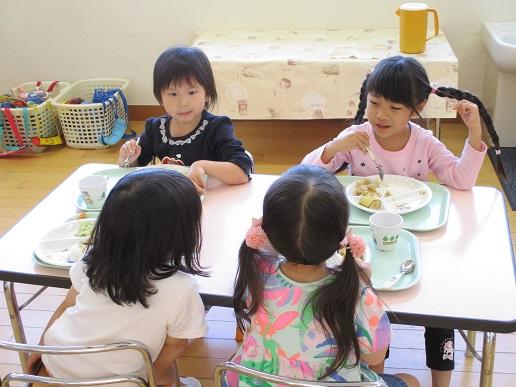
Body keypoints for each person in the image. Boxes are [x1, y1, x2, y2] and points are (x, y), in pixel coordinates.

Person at [302, 55, 505, 387]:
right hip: (363, 242)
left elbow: (460, 180)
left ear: (417, 106)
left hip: (418, 240)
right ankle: (376, 377)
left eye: (395, 108)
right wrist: (334, 147)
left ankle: (442, 382)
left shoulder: (424, 142)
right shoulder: (356, 137)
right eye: (375, 103)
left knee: (441, 311)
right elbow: (306, 175)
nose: (381, 115)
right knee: (371, 310)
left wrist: (473, 134)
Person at [227, 165, 419, 387]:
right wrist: (366, 283)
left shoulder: (256, 271)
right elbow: (374, 357)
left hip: (260, 381)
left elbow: (264, 250)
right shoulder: (355, 292)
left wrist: (268, 234)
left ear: (267, 230)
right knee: (410, 381)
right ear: (342, 233)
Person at [28, 169, 208, 387]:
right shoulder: (181, 287)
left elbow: (66, 306)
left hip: (60, 361)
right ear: (180, 233)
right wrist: (153, 376)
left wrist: (41, 346)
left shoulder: (92, 259)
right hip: (120, 381)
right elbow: (177, 344)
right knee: (170, 375)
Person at [118, 46, 253, 193]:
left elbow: (241, 173)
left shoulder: (217, 128)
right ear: (160, 97)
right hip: (172, 200)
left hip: (212, 198)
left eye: (192, 92)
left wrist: (202, 166)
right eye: (173, 94)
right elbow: (134, 173)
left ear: (207, 93)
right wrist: (128, 159)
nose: (183, 102)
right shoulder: (155, 128)